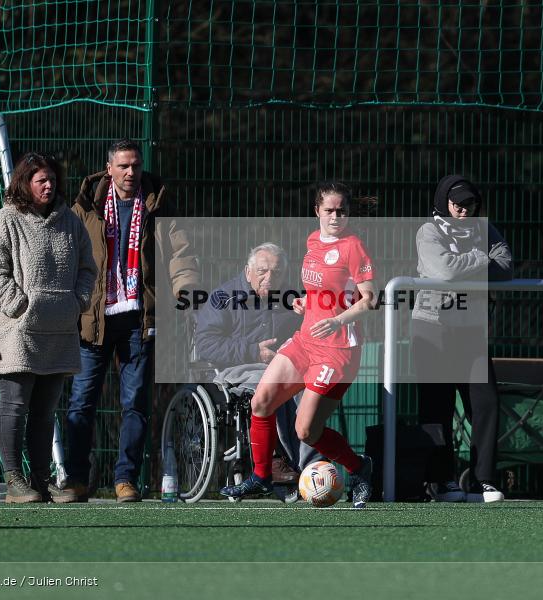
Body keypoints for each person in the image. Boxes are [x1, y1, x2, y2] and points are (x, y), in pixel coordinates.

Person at [220, 182, 376, 508]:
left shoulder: (353, 247)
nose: (336, 216)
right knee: (261, 402)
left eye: (341, 211)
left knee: (305, 430)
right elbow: (323, 289)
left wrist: (336, 320)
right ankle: (261, 476)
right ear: (317, 211)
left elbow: (368, 300)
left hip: (337, 350)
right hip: (305, 340)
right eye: (329, 210)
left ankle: (359, 467)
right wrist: (307, 301)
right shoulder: (312, 241)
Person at [65, 139, 199, 502]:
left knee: (135, 403)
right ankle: (76, 479)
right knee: (81, 401)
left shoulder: (158, 205)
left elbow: (180, 255)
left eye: (135, 166)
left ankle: (126, 479)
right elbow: (68, 255)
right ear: (108, 168)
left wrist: (186, 291)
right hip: (94, 319)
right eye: (123, 166)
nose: (130, 173)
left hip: (139, 319)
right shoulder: (85, 207)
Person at [0, 153, 96, 504]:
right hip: (14, 332)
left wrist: (78, 301)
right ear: (25, 183)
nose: (48, 185)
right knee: (14, 404)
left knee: (45, 412)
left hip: (58, 331)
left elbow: (88, 268)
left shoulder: (70, 223)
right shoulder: (4, 221)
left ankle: (41, 482)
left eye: (52, 180)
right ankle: (14, 480)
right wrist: (19, 306)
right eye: (40, 180)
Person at [411, 175, 513, 503]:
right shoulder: (428, 231)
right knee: (436, 407)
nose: (464, 210)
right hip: (432, 328)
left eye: (470, 204)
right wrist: (481, 260)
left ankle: (483, 479)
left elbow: (506, 266)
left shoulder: (485, 229)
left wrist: (466, 265)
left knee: (486, 403)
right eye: (457, 204)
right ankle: (441, 481)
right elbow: (444, 270)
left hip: (471, 331)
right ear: (445, 202)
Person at [194, 243, 323, 492]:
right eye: (263, 271)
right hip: (238, 369)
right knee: (272, 387)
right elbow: (206, 344)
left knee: (308, 385)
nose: (269, 278)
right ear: (248, 271)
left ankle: (310, 466)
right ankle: (282, 460)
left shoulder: (292, 299)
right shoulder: (224, 298)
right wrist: (253, 350)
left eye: (276, 272)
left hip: (283, 366)